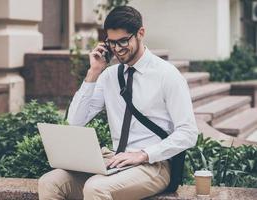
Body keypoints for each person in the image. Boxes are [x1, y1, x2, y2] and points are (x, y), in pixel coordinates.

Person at [38, 5, 198, 200]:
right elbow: (75, 122)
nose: (117, 49)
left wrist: (144, 154)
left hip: (153, 165)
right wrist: (93, 73)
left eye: (123, 41)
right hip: (115, 159)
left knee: (96, 188)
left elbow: (188, 133)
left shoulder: (167, 75)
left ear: (140, 33)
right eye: (112, 43)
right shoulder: (108, 76)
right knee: (49, 183)